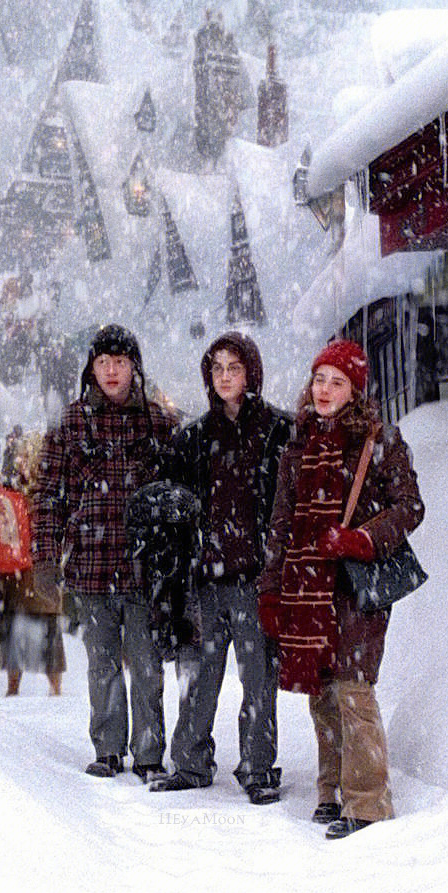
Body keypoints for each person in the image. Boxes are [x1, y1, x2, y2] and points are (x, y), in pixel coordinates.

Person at [258, 339, 424, 839]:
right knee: (323, 692)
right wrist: (271, 589)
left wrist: (362, 538)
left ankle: (368, 801)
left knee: (354, 690)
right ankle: (331, 791)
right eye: (319, 379)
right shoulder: (296, 447)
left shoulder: (381, 441)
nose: (325, 390)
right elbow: (281, 523)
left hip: (354, 583)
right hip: (307, 585)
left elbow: (410, 508)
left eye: (338, 381)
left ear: (355, 391)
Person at [33, 324, 177, 780]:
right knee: (102, 665)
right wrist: (44, 557)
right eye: (103, 363)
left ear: (134, 367)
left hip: (143, 570)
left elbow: (179, 494)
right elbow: (49, 494)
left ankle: (149, 754)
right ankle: (109, 749)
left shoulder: (158, 423)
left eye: (121, 362)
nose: (112, 371)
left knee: (148, 668)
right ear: (90, 369)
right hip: (91, 567)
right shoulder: (71, 424)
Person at [152, 332, 290, 804]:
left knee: (258, 679)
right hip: (206, 579)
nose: (225, 376)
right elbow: (171, 503)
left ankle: (257, 768)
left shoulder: (278, 431)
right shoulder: (193, 437)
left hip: (256, 577)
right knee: (200, 676)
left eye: (234, 367)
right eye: (217, 369)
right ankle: (190, 763)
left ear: (251, 371)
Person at [0, 428, 66, 697]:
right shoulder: (17, 493)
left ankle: (51, 690)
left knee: (44, 636)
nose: (21, 462)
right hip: (21, 579)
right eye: (21, 457)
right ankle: (16, 688)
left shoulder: (44, 495)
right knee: (22, 634)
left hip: (36, 577)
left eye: (27, 457)